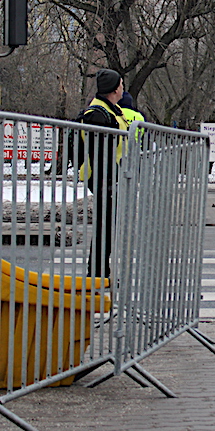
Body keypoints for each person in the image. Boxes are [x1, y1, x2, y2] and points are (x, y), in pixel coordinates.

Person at [80, 69, 130, 279]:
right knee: (104, 227)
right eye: (121, 84)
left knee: (108, 227)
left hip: (110, 176)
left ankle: (100, 272)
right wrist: (108, 179)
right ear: (114, 88)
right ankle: (97, 273)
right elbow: (99, 151)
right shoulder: (98, 114)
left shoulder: (110, 110)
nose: (123, 88)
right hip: (102, 176)